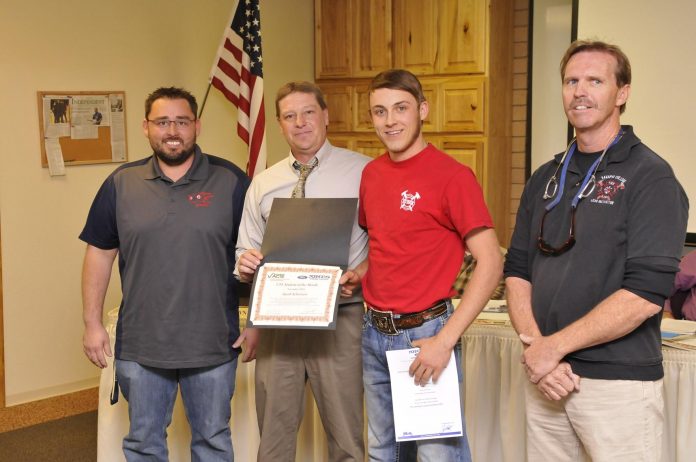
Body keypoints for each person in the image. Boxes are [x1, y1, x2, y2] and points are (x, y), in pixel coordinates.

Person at [504, 40, 689, 461]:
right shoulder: (545, 177)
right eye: (571, 81)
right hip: (548, 379)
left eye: (595, 80)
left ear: (622, 93)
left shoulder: (651, 177)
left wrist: (552, 349)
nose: (579, 91)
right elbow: (517, 269)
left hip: (616, 386)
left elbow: (645, 296)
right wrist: (538, 349)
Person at [80, 86, 249, 461]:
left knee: (213, 442)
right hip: (141, 345)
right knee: (144, 443)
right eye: (162, 122)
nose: (172, 130)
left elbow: (259, 255)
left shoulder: (232, 181)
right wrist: (92, 323)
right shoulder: (121, 184)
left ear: (197, 126)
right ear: (146, 127)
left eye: (182, 121)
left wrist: (255, 322)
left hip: (213, 343)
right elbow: (99, 253)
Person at [352, 68, 503, 461]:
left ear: (423, 110)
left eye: (401, 109)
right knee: (381, 452)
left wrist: (445, 341)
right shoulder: (371, 175)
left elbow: (491, 262)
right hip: (374, 333)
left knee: (438, 454)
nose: (390, 121)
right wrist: (359, 275)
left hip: (427, 335)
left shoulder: (453, 176)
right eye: (379, 111)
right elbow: (386, 246)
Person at [235, 81, 370, 462]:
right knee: (274, 437)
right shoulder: (263, 183)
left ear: (325, 116)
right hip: (280, 324)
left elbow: (386, 243)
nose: (301, 123)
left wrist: (361, 271)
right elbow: (247, 247)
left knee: (345, 435)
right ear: (279, 125)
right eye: (290, 116)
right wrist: (245, 262)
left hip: (342, 318)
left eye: (309, 112)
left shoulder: (364, 172)